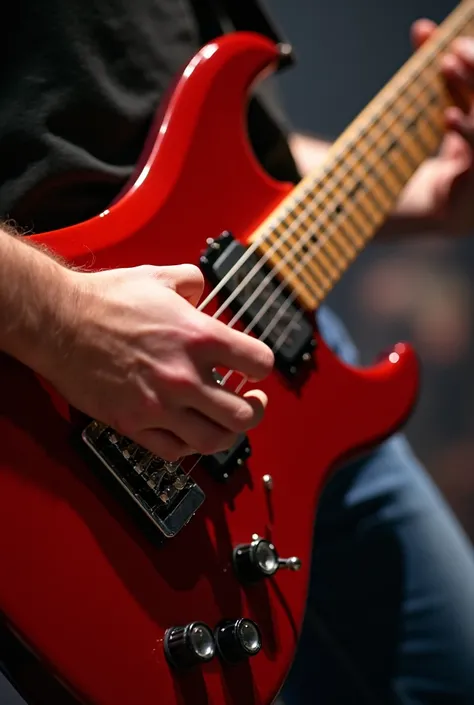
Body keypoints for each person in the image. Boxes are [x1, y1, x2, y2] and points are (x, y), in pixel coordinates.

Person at [1, 1, 474, 703]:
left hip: (277, 357)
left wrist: (421, 192)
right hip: (48, 386)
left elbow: (246, 148)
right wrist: (62, 321)